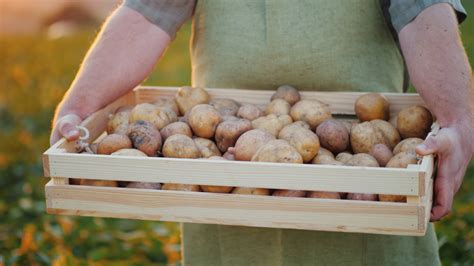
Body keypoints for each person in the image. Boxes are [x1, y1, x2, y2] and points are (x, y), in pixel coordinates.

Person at [50, 0, 473, 265]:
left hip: (362, 194)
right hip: (222, 176)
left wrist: (457, 117)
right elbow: (147, 13)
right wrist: (80, 105)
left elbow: (423, 10)